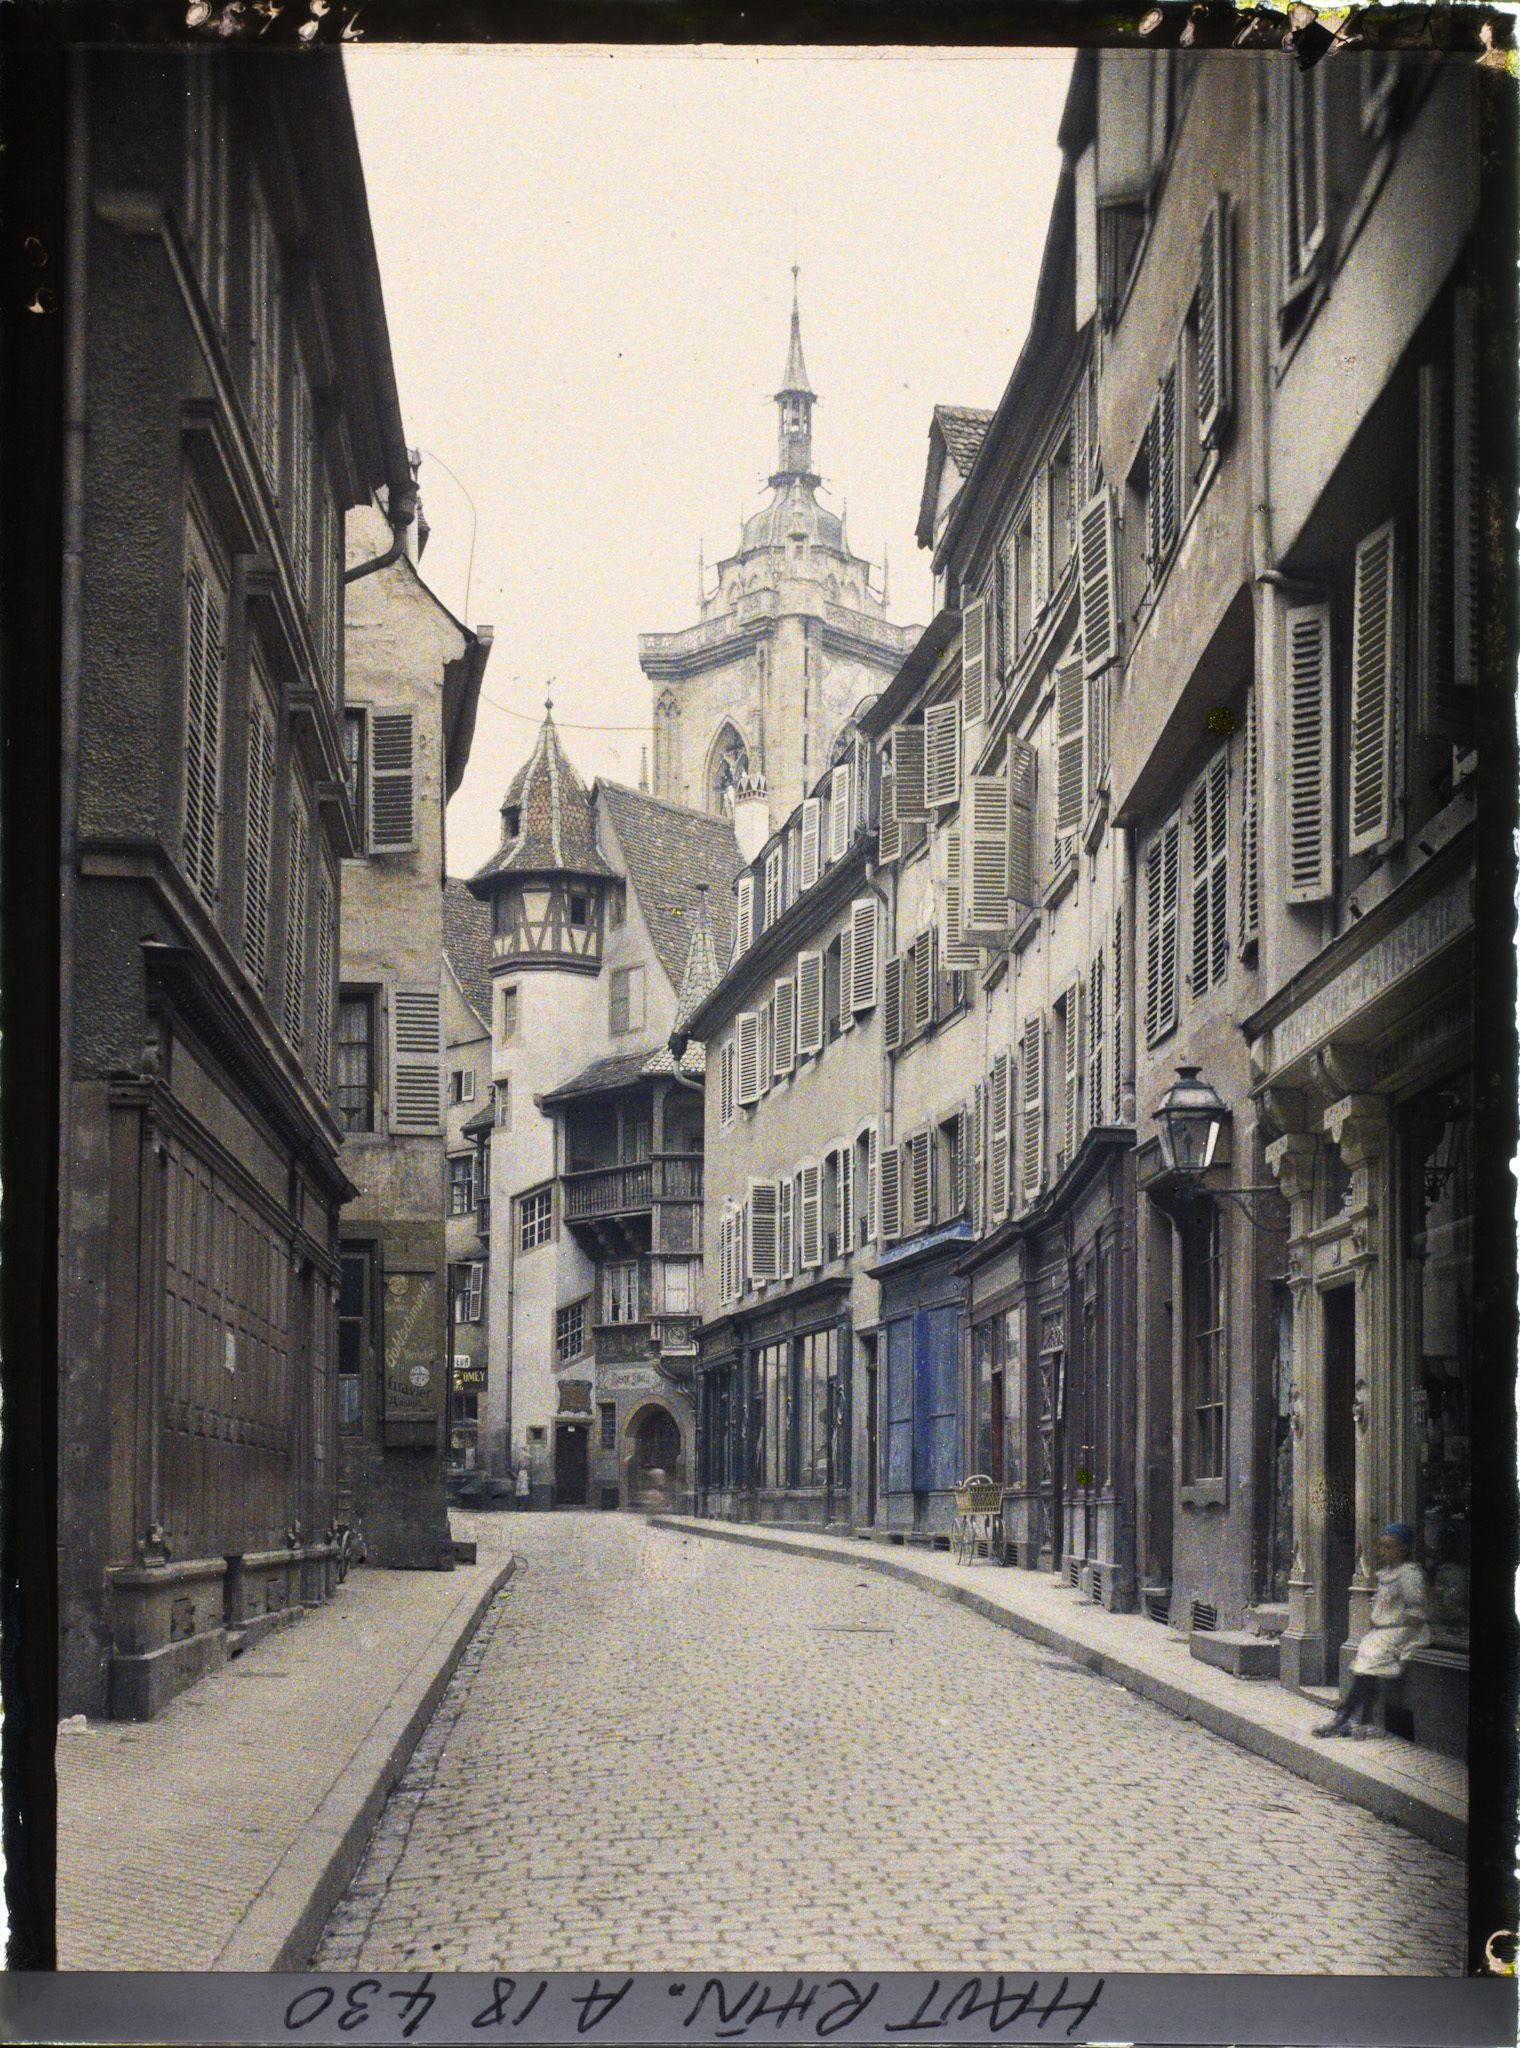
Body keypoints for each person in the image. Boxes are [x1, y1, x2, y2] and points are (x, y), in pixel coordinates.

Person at [1313, 1523, 1430, 1739]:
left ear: (1402, 1550)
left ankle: (1344, 1718)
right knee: (1366, 1672)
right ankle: (1360, 1720)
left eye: (1389, 1547)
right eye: (1381, 1547)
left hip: (1404, 1631)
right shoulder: (1386, 1574)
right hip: (1383, 1633)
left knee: (1368, 1668)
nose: (1383, 1552)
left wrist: (1403, 1642)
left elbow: (1416, 1611)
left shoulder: (1408, 1575)